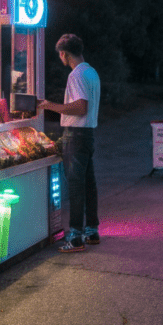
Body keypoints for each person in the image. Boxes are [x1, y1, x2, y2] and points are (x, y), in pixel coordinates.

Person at [38, 34, 100, 252]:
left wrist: (49, 105)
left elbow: (80, 107)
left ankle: (75, 236)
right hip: (88, 134)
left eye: (60, 55)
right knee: (88, 184)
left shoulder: (76, 75)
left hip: (75, 134)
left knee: (75, 186)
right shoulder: (91, 72)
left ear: (64, 53)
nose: (60, 58)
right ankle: (91, 230)